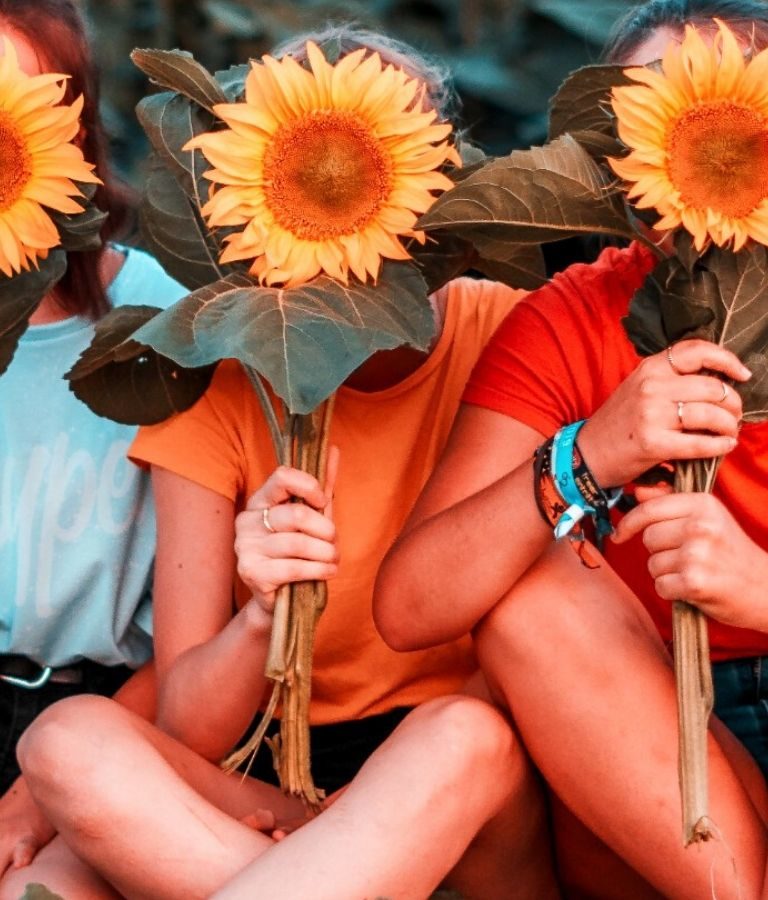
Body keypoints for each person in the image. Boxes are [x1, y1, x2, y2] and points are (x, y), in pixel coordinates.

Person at [15, 24, 560, 900]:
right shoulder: (222, 375)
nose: (337, 187)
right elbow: (188, 725)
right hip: (273, 783)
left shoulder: (502, 328)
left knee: (459, 734)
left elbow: (558, 632)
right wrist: (260, 616)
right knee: (65, 739)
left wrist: (370, 814)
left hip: (464, 787)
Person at [375, 1, 768, 897]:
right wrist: (586, 455)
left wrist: (758, 588)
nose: (691, 154)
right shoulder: (575, 315)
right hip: (645, 724)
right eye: (650, 128)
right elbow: (411, 605)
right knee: (528, 591)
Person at [0, 0, 187, 894]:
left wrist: (38, 794)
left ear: (67, 125)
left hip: (105, 720)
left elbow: (194, 629)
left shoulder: (161, 322)